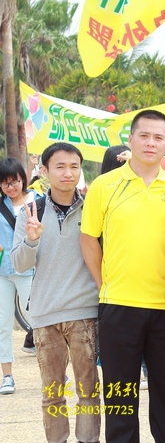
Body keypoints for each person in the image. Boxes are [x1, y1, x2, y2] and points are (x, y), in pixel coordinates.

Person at [81, 109, 165, 443]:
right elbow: (89, 238)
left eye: (158, 137)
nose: (150, 143)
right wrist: (103, 285)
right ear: (130, 139)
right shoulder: (104, 185)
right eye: (144, 135)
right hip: (118, 305)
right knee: (120, 393)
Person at [10, 142, 100, 443]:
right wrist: (32, 239)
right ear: (44, 171)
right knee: (52, 394)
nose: (68, 173)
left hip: (85, 313)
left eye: (74, 167)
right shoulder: (31, 211)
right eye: (60, 167)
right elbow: (19, 264)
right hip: (45, 315)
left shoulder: (92, 208)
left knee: (89, 391)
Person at [0, 157, 39, 395]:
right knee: (2, 325)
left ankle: (54, 371)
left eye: (14, 181)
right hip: (3, 272)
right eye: (5, 183)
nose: (11, 187)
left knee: (39, 321)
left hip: (29, 269)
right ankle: (7, 376)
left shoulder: (38, 200)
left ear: (22, 179)